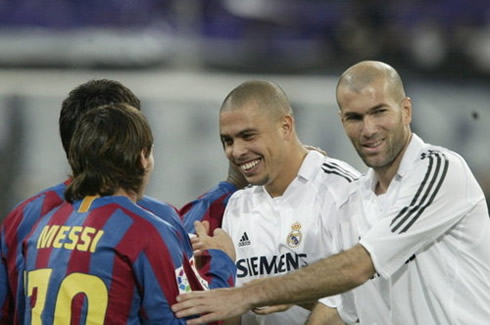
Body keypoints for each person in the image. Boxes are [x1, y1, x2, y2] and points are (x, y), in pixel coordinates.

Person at [171, 61, 490, 324]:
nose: (368, 129)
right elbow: (345, 306)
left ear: (406, 111)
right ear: (341, 120)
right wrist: (274, 290)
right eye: (354, 117)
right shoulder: (358, 198)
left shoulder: (438, 169)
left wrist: (250, 293)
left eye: (379, 112)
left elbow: (358, 266)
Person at [0, 79, 240, 324]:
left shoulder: (40, 226)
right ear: (142, 157)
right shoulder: (149, 230)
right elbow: (192, 320)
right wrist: (221, 261)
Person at [191, 80, 360, 324]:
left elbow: (367, 299)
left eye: (248, 136)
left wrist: (289, 291)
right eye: (228, 141)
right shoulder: (238, 207)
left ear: (285, 127)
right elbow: (234, 314)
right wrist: (221, 272)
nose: (237, 151)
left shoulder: (343, 190)